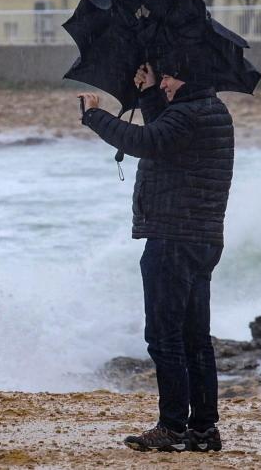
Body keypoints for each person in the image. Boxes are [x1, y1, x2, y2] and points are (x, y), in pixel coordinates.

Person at [77, 49, 232, 453]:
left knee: (165, 338)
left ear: (189, 78)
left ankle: (172, 427)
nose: (164, 82)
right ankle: (203, 429)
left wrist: (95, 114)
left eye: (170, 77)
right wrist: (147, 94)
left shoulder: (189, 114)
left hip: (172, 238)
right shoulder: (208, 109)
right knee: (195, 338)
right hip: (201, 238)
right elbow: (165, 133)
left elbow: (146, 140)